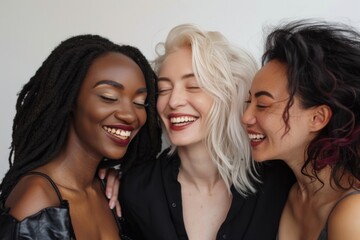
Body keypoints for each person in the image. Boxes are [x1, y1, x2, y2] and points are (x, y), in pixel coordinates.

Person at [118, 24, 295, 240]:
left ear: (230, 94)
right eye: (163, 89)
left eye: (193, 86)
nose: (173, 101)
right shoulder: (136, 189)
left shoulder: (281, 181)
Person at [0, 34, 162, 239]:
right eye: (108, 97)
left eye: (140, 103)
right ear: (69, 100)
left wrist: (124, 178)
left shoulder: (108, 193)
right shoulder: (38, 200)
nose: (130, 115)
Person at [242, 20, 360, 240]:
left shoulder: (353, 214)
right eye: (247, 102)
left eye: (263, 105)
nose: (246, 117)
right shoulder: (287, 190)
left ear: (317, 118)